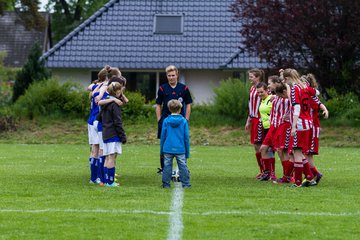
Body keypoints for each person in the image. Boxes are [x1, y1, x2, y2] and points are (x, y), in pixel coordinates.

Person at [156, 65, 193, 174]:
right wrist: (159, 120)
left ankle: (183, 167)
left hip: (180, 122)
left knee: (182, 142)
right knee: (164, 143)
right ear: (167, 76)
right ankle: (164, 168)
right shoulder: (162, 88)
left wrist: (186, 119)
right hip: (166, 122)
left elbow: (189, 104)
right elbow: (158, 105)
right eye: (169, 75)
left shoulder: (184, 88)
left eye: (173, 75)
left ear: (177, 75)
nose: (171, 77)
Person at [282, 68, 316, 187]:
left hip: (300, 124)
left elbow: (297, 108)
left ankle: (297, 182)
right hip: (308, 123)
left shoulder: (294, 88)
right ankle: (310, 178)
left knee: (296, 152)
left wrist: (293, 126)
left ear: (287, 79)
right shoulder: (305, 86)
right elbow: (316, 93)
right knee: (300, 152)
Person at [301, 73, 329, 185]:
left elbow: (319, 103)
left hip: (312, 128)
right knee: (304, 152)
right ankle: (311, 174)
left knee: (307, 153)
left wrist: (325, 110)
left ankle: (314, 174)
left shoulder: (310, 95)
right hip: (306, 127)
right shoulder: (302, 94)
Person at [100, 81, 127, 187]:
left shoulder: (106, 102)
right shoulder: (114, 104)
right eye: (120, 90)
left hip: (105, 133)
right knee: (112, 157)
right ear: (117, 91)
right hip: (113, 134)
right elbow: (117, 121)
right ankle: (110, 182)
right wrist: (122, 135)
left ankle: (105, 180)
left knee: (107, 157)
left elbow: (100, 117)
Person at [160, 99, 191, 188]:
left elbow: (163, 136)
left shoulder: (166, 121)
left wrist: (161, 150)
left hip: (167, 148)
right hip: (180, 148)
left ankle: (166, 184)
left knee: (167, 166)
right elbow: (186, 138)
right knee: (183, 166)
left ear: (169, 109)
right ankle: (186, 184)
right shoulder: (184, 121)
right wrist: (187, 152)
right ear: (180, 109)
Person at [244, 68, 266, 179]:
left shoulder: (263, 88)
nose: (249, 78)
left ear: (258, 77)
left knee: (260, 145)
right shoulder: (252, 88)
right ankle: (262, 170)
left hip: (260, 119)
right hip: (254, 119)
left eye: (251, 76)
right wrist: (248, 120)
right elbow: (250, 104)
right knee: (256, 146)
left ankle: (266, 171)